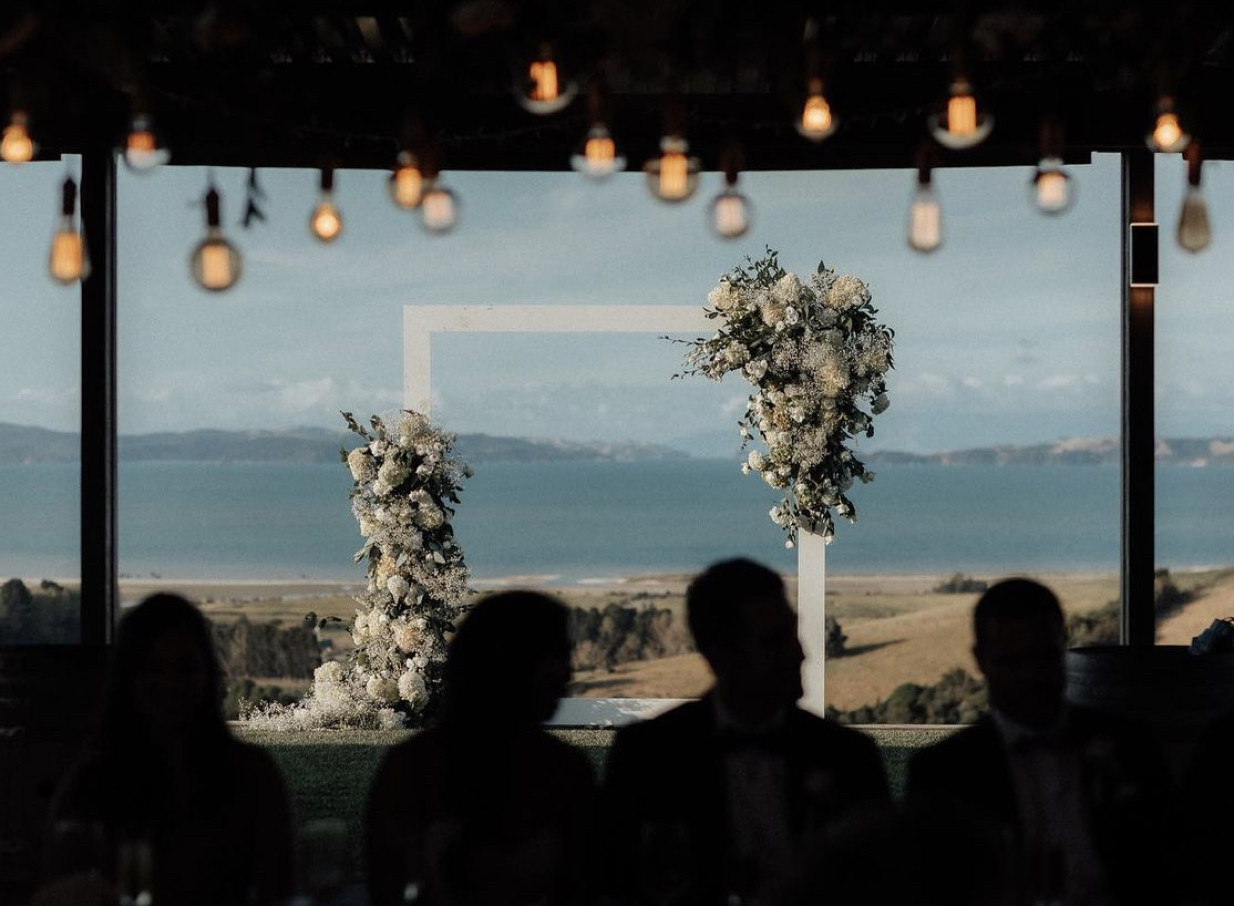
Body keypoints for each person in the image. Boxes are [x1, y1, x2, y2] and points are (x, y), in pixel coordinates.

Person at [599, 558, 888, 906]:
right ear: (719, 656)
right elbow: (620, 885)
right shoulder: (649, 755)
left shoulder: (849, 756)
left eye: (793, 632)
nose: (800, 653)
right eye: (774, 641)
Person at [908, 578, 1171, 906]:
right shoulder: (944, 772)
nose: (1031, 676)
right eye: (1013, 662)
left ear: (1063, 646)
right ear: (980, 660)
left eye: (1043, 657)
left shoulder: (1130, 746)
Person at [38, 593, 295, 906]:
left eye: (184, 667)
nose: (170, 682)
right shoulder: (90, 785)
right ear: (128, 679)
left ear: (207, 674)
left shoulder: (252, 775)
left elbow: (280, 885)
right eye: (154, 668)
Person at [365, 591, 596, 906]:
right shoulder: (566, 772)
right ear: (512, 663)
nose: (568, 674)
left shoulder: (409, 766)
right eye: (557, 657)